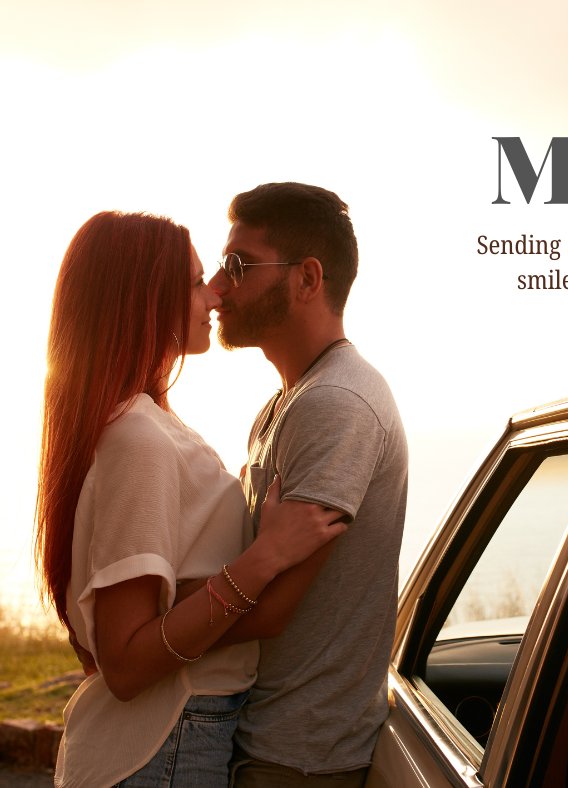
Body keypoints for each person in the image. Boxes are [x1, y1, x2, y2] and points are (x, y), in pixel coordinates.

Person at [35, 211, 346, 787]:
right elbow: (126, 664)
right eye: (199, 280)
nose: (216, 294)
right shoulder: (140, 439)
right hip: (163, 745)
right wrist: (265, 558)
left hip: (171, 738)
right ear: (147, 300)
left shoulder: (146, 425)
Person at [208, 182, 408, 787]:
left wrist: (145, 627)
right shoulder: (288, 402)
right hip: (272, 740)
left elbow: (270, 609)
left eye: (239, 266)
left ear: (307, 278)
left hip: (296, 759)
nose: (219, 287)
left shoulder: (334, 404)